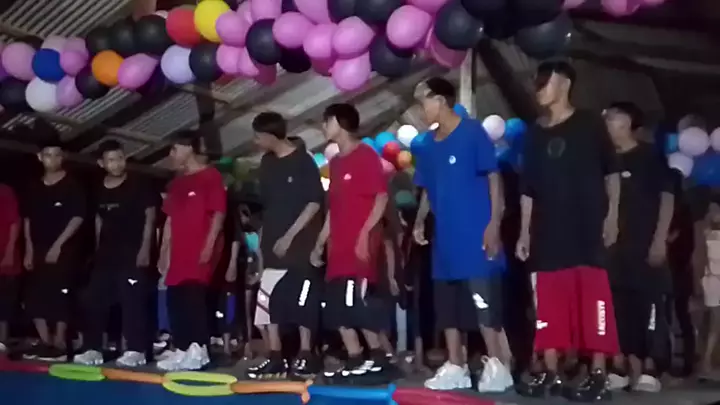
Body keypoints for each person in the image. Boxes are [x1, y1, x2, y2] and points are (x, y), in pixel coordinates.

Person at [515, 61, 621, 402]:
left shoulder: (590, 123)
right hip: (548, 231)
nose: (539, 89)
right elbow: (527, 188)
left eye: (545, 82)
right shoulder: (534, 133)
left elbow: (611, 173)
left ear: (564, 83)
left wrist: (612, 217)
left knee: (593, 299)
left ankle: (598, 374)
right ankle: (551, 372)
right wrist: (524, 232)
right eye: (537, 82)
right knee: (549, 302)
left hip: (587, 228)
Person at [411, 77, 512, 392]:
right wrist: (419, 221)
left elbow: (494, 178)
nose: (421, 109)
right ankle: (456, 365)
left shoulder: (472, 132)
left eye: (423, 101)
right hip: (445, 239)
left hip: (476, 233)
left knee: (484, 302)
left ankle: (498, 366)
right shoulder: (427, 145)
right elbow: (427, 187)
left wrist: (494, 223)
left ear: (440, 100)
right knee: (447, 306)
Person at [310, 103, 391, 379]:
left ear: (339, 122)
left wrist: (365, 234)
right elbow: (334, 208)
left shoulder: (366, 155)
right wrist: (320, 242)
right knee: (336, 308)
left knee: (356, 303)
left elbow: (381, 198)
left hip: (359, 246)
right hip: (338, 248)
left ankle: (379, 357)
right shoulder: (335, 163)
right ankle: (355, 357)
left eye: (327, 121)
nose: (324, 127)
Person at [245, 112, 325, 379]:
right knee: (267, 299)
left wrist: (290, 236)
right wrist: (262, 243)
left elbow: (314, 202)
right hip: (271, 242)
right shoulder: (266, 163)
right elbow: (267, 207)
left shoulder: (303, 161)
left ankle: (306, 354)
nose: (256, 142)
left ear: (270, 136)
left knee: (303, 299)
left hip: (300, 244)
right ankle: (275, 355)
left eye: (258, 136)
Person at [603, 103, 674, 392]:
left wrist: (660, 239)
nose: (608, 123)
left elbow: (667, 198)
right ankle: (622, 367)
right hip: (614, 248)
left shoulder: (649, 156)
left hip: (645, 245)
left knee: (651, 305)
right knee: (619, 306)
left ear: (629, 123)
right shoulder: (604, 159)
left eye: (613, 118)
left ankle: (651, 367)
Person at [74, 141, 156, 367]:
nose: (117, 163)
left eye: (120, 158)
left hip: (132, 252)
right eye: (111, 160)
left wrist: (145, 248)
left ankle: (136, 350)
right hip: (106, 254)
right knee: (94, 300)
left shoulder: (139, 184)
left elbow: (150, 217)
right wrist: (97, 249)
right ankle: (92, 349)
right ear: (101, 163)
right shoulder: (98, 188)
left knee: (132, 301)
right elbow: (99, 219)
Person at [157, 131, 227, 371]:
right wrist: (164, 250)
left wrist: (209, 245)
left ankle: (199, 350)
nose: (171, 154)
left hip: (199, 249)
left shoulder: (211, 177)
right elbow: (169, 220)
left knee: (193, 298)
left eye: (174, 149)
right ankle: (182, 347)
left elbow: (218, 214)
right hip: (178, 251)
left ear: (188, 148)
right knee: (175, 299)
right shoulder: (176, 184)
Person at [22, 141, 85, 362]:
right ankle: (45, 341)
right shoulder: (33, 187)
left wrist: (58, 245)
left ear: (62, 157)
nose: (53, 159)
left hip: (64, 248)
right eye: (48, 155)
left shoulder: (72, 185)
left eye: (57, 155)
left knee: (60, 294)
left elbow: (77, 217)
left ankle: (59, 342)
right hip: (38, 247)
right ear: (40, 157)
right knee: (34, 294)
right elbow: (27, 219)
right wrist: (28, 248)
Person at [0, 183, 20, 353]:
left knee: (5, 296)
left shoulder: (4, 192)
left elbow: (14, 222)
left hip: (4, 251)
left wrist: (9, 251)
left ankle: (2, 338)